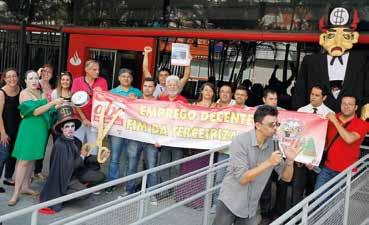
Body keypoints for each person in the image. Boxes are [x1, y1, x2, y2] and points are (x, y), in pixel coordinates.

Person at [212, 105, 301, 225]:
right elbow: (243, 178)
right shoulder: (240, 141)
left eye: (277, 124)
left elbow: (286, 177)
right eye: (271, 125)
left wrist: (290, 162)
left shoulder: (274, 143)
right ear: (258, 125)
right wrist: (269, 162)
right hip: (230, 202)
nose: (275, 128)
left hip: (251, 207)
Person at [292, 7, 369, 113]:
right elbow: (299, 94)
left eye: (345, 36)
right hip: (318, 120)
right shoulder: (311, 61)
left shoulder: (363, 60)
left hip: (351, 121)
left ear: (353, 37)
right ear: (323, 38)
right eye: (332, 35)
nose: (338, 41)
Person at [8, 70, 63, 206]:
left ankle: (26, 187)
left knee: (32, 159)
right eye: (30, 78)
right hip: (29, 130)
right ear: (25, 81)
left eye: (35, 78)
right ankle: (16, 193)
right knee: (23, 161)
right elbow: (36, 111)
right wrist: (52, 103)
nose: (33, 81)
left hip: (40, 130)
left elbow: (48, 112)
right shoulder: (24, 94)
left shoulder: (41, 93)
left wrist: (56, 106)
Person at [39, 106, 105, 213]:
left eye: (72, 126)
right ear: (62, 129)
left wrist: (94, 156)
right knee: (85, 194)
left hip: (78, 172)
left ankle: (78, 185)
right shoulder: (60, 145)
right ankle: (64, 193)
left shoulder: (76, 141)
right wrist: (82, 155)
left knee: (101, 176)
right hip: (66, 178)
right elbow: (68, 167)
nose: (70, 129)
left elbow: (81, 160)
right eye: (67, 126)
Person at [291, 84, 333, 206]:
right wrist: (297, 157)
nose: (313, 97)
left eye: (317, 95)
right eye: (312, 94)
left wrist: (314, 160)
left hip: (318, 159)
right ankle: (295, 218)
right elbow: (295, 135)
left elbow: (328, 139)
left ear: (324, 98)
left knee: (313, 189)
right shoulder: (302, 111)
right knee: (297, 189)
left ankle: (310, 216)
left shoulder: (330, 114)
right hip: (300, 156)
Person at [314, 95, 367, 190]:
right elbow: (318, 139)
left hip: (346, 172)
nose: (346, 106)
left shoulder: (362, 124)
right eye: (344, 103)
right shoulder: (332, 118)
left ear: (356, 107)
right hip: (327, 167)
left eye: (350, 104)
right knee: (316, 200)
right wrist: (311, 159)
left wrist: (335, 121)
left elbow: (349, 139)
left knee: (336, 202)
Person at [122, 78, 159, 205]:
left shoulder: (160, 104)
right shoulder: (134, 101)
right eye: (145, 86)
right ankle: (129, 190)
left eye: (150, 86)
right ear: (142, 87)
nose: (147, 88)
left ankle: (152, 193)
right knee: (131, 165)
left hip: (151, 139)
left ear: (154, 88)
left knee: (152, 167)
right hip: (135, 138)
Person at [106, 68, 143, 192]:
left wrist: (136, 100)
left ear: (132, 79)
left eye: (128, 76)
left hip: (132, 130)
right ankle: (112, 183)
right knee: (115, 157)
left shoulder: (137, 92)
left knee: (131, 157)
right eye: (123, 76)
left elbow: (144, 109)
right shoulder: (112, 92)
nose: (126, 78)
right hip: (116, 129)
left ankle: (129, 184)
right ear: (119, 78)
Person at [71, 59, 108, 148]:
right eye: (94, 70)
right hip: (79, 119)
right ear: (86, 70)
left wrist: (100, 94)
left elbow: (106, 101)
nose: (97, 72)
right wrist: (83, 118)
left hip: (95, 121)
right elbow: (74, 101)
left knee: (93, 148)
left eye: (98, 69)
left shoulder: (102, 81)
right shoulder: (77, 81)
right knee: (76, 146)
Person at [158, 75, 188, 183]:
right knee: (163, 165)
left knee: (177, 166)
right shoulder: (161, 100)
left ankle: (175, 191)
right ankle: (164, 190)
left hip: (177, 140)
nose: (172, 87)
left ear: (178, 86)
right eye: (169, 84)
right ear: (166, 86)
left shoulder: (183, 101)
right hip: (164, 139)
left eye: (174, 84)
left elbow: (188, 120)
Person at [0, 69, 21, 191]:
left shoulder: (21, 89)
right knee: (3, 156)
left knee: (13, 155)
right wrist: (2, 133)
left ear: (18, 77)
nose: (12, 79)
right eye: (9, 77)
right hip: (4, 130)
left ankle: (8, 177)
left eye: (14, 76)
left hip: (17, 129)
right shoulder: (2, 93)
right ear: (4, 78)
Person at [34, 64, 56, 180]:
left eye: (49, 72)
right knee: (40, 145)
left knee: (50, 145)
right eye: (44, 71)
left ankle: (45, 170)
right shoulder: (37, 84)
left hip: (51, 120)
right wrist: (37, 75)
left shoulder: (52, 87)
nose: (46, 74)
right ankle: (36, 171)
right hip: (41, 119)